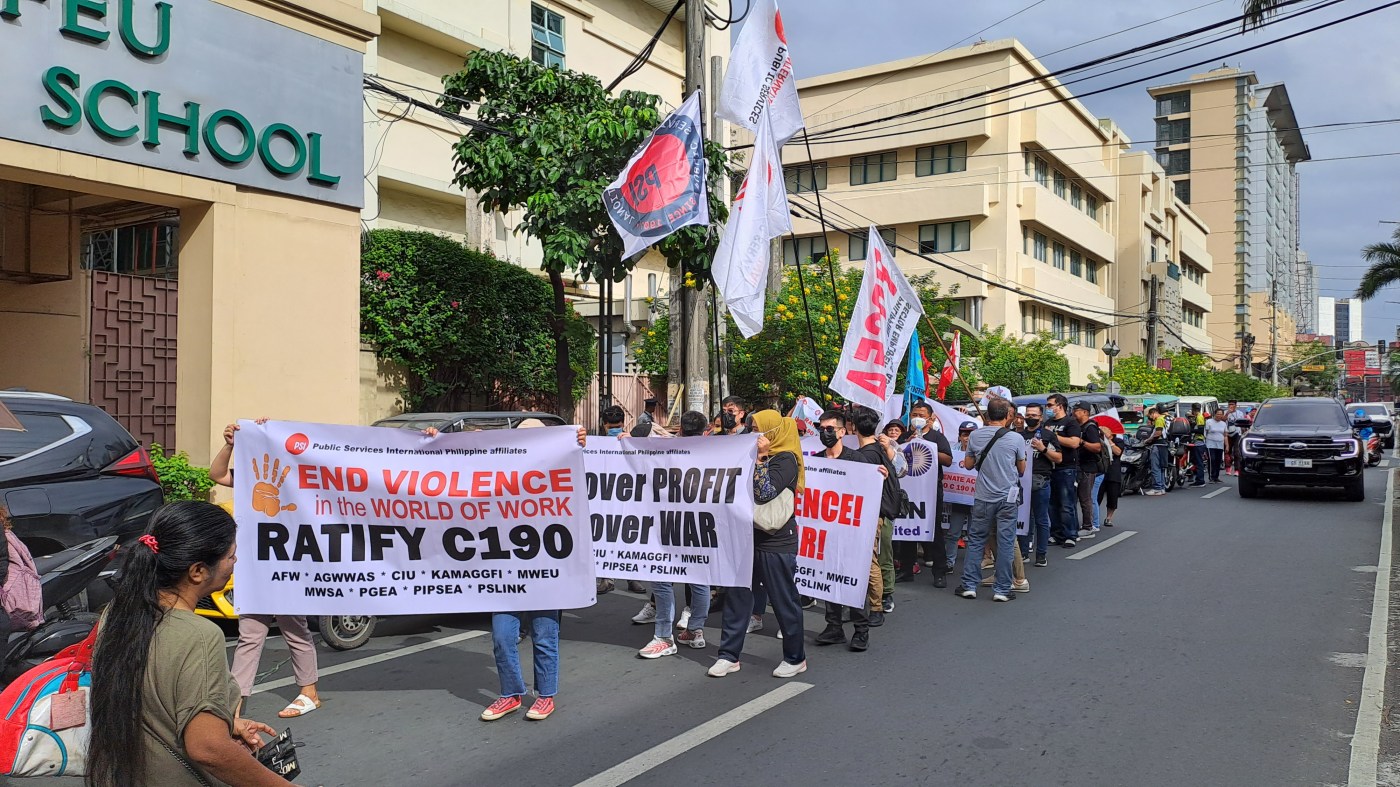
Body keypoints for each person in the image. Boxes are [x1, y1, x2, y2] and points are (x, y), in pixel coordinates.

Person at [88, 501, 284, 787]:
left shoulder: (117, 613)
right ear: (198, 571)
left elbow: (150, 705)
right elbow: (208, 748)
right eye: (231, 555)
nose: (235, 562)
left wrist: (225, 723)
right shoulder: (199, 635)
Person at [209, 420, 322, 720]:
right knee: (249, 635)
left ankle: (309, 692)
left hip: (288, 565)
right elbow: (217, 474)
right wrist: (231, 444)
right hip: (256, 567)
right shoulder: (252, 478)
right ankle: (235, 704)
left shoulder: (306, 483)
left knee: (294, 627)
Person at [480, 422, 589, 721]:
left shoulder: (559, 464)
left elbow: (583, 476)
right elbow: (459, 462)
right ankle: (511, 694)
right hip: (506, 569)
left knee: (544, 635)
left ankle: (545, 695)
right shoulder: (499, 467)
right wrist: (435, 442)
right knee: (502, 636)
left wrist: (578, 444)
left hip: (545, 568)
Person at [709, 410, 808, 679]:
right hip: (746, 538)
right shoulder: (749, 454)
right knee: (738, 597)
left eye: (758, 429)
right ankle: (729, 656)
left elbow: (764, 493)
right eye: (752, 429)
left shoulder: (786, 459)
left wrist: (762, 458)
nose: (754, 434)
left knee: (783, 600)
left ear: (773, 432)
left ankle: (795, 657)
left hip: (776, 541)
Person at [635, 411, 712, 656]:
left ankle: (664, 637)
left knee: (661, 578)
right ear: (705, 431)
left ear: (680, 430)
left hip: (668, 523)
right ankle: (695, 630)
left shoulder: (668, 451)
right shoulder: (716, 452)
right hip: (699, 525)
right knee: (699, 579)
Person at [810, 411, 877, 651]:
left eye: (829, 429)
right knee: (826, 577)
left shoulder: (857, 460)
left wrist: (879, 477)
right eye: (821, 429)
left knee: (852, 579)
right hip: (824, 532)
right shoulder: (816, 461)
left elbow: (869, 491)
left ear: (841, 432)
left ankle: (861, 630)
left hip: (851, 533)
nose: (825, 433)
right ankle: (834, 627)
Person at [956, 398, 1028, 602]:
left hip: (983, 496)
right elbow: (1022, 469)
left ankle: (969, 585)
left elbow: (968, 464)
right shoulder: (1016, 438)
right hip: (1008, 498)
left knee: (976, 540)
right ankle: (1002, 589)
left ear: (988, 415)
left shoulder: (975, 435)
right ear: (1007, 416)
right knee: (1006, 542)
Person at [897, 401, 953, 588]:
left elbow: (948, 460)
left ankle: (939, 571)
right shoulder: (905, 436)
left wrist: (928, 446)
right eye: (914, 415)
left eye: (921, 415)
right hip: (908, 491)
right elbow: (895, 456)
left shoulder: (937, 437)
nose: (917, 418)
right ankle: (906, 569)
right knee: (907, 528)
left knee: (934, 530)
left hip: (930, 491)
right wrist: (908, 443)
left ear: (930, 418)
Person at [854, 406, 902, 622]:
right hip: (875, 513)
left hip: (871, 514)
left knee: (869, 559)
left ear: (854, 428)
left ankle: (876, 606)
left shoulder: (867, 455)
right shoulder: (880, 450)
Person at [1021, 403, 1063, 567]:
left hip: (1041, 480)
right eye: (1028, 415)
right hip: (1021, 481)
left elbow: (1058, 458)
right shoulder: (1018, 436)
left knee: (1041, 519)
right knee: (1023, 518)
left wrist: (1043, 448)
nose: (1030, 417)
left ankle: (1041, 554)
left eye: (1034, 415)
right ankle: (1023, 553)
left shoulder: (1048, 435)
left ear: (1040, 417)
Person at [1043, 394, 1082, 548]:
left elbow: (1074, 443)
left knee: (1066, 503)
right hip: (1050, 467)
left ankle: (1070, 534)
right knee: (1052, 504)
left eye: (1050, 405)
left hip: (1066, 467)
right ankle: (1056, 533)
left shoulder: (1071, 422)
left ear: (1060, 406)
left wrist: (1053, 436)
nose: (1047, 408)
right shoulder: (1047, 423)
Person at [1072, 402, 1104, 540]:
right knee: (1075, 498)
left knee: (1085, 498)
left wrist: (1082, 442)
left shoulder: (1090, 427)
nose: (1074, 412)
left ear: (1085, 412)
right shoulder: (1077, 426)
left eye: (1077, 410)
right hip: (1077, 466)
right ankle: (1076, 525)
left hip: (1088, 467)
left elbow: (1097, 447)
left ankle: (1088, 527)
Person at [1097, 430, 1125, 527]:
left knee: (1112, 496)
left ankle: (1109, 518)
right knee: (1096, 496)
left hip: (1113, 471)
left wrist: (1109, 440)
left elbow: (1118, 452)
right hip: (1100, 470)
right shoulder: (1098, 439)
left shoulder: (1118, 441)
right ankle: (1093, 517)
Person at [1142, 406, 1168, 496]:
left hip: (1158, 445)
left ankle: (1157, 488)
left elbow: (1158, 433)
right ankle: (1161, 488)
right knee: (1161, 468)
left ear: (1153, 413)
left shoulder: (1159, 419)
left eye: (1150, 415)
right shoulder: (1164, 419)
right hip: (1164, 445)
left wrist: (1148, 441)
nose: (1150, 418)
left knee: (1155, 467)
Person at [1204, 408, 1228, 483]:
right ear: (1214, 414)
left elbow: (1225, 435)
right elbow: (1205, 433)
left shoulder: (1223, 424)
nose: (1219, 416)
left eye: (1221, 414)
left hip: (1220, 444)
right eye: (1218, 414)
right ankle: (1211, 477)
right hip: (1210, 444)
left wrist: (1227, 445)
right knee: (1212, 459)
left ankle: (1216, 477)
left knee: (1218, 460)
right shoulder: (1209, 422)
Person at [1188, 404, 1208, 488]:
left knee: (1199, 462)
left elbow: (1200, 430)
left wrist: (1190, 430)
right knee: (1195, 461)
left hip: (1199, 442)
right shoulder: (1197, 417)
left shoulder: (1199, 417)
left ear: (1193, 409)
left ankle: (1200, 480)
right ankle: (1197, 479)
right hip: (1197, 441)